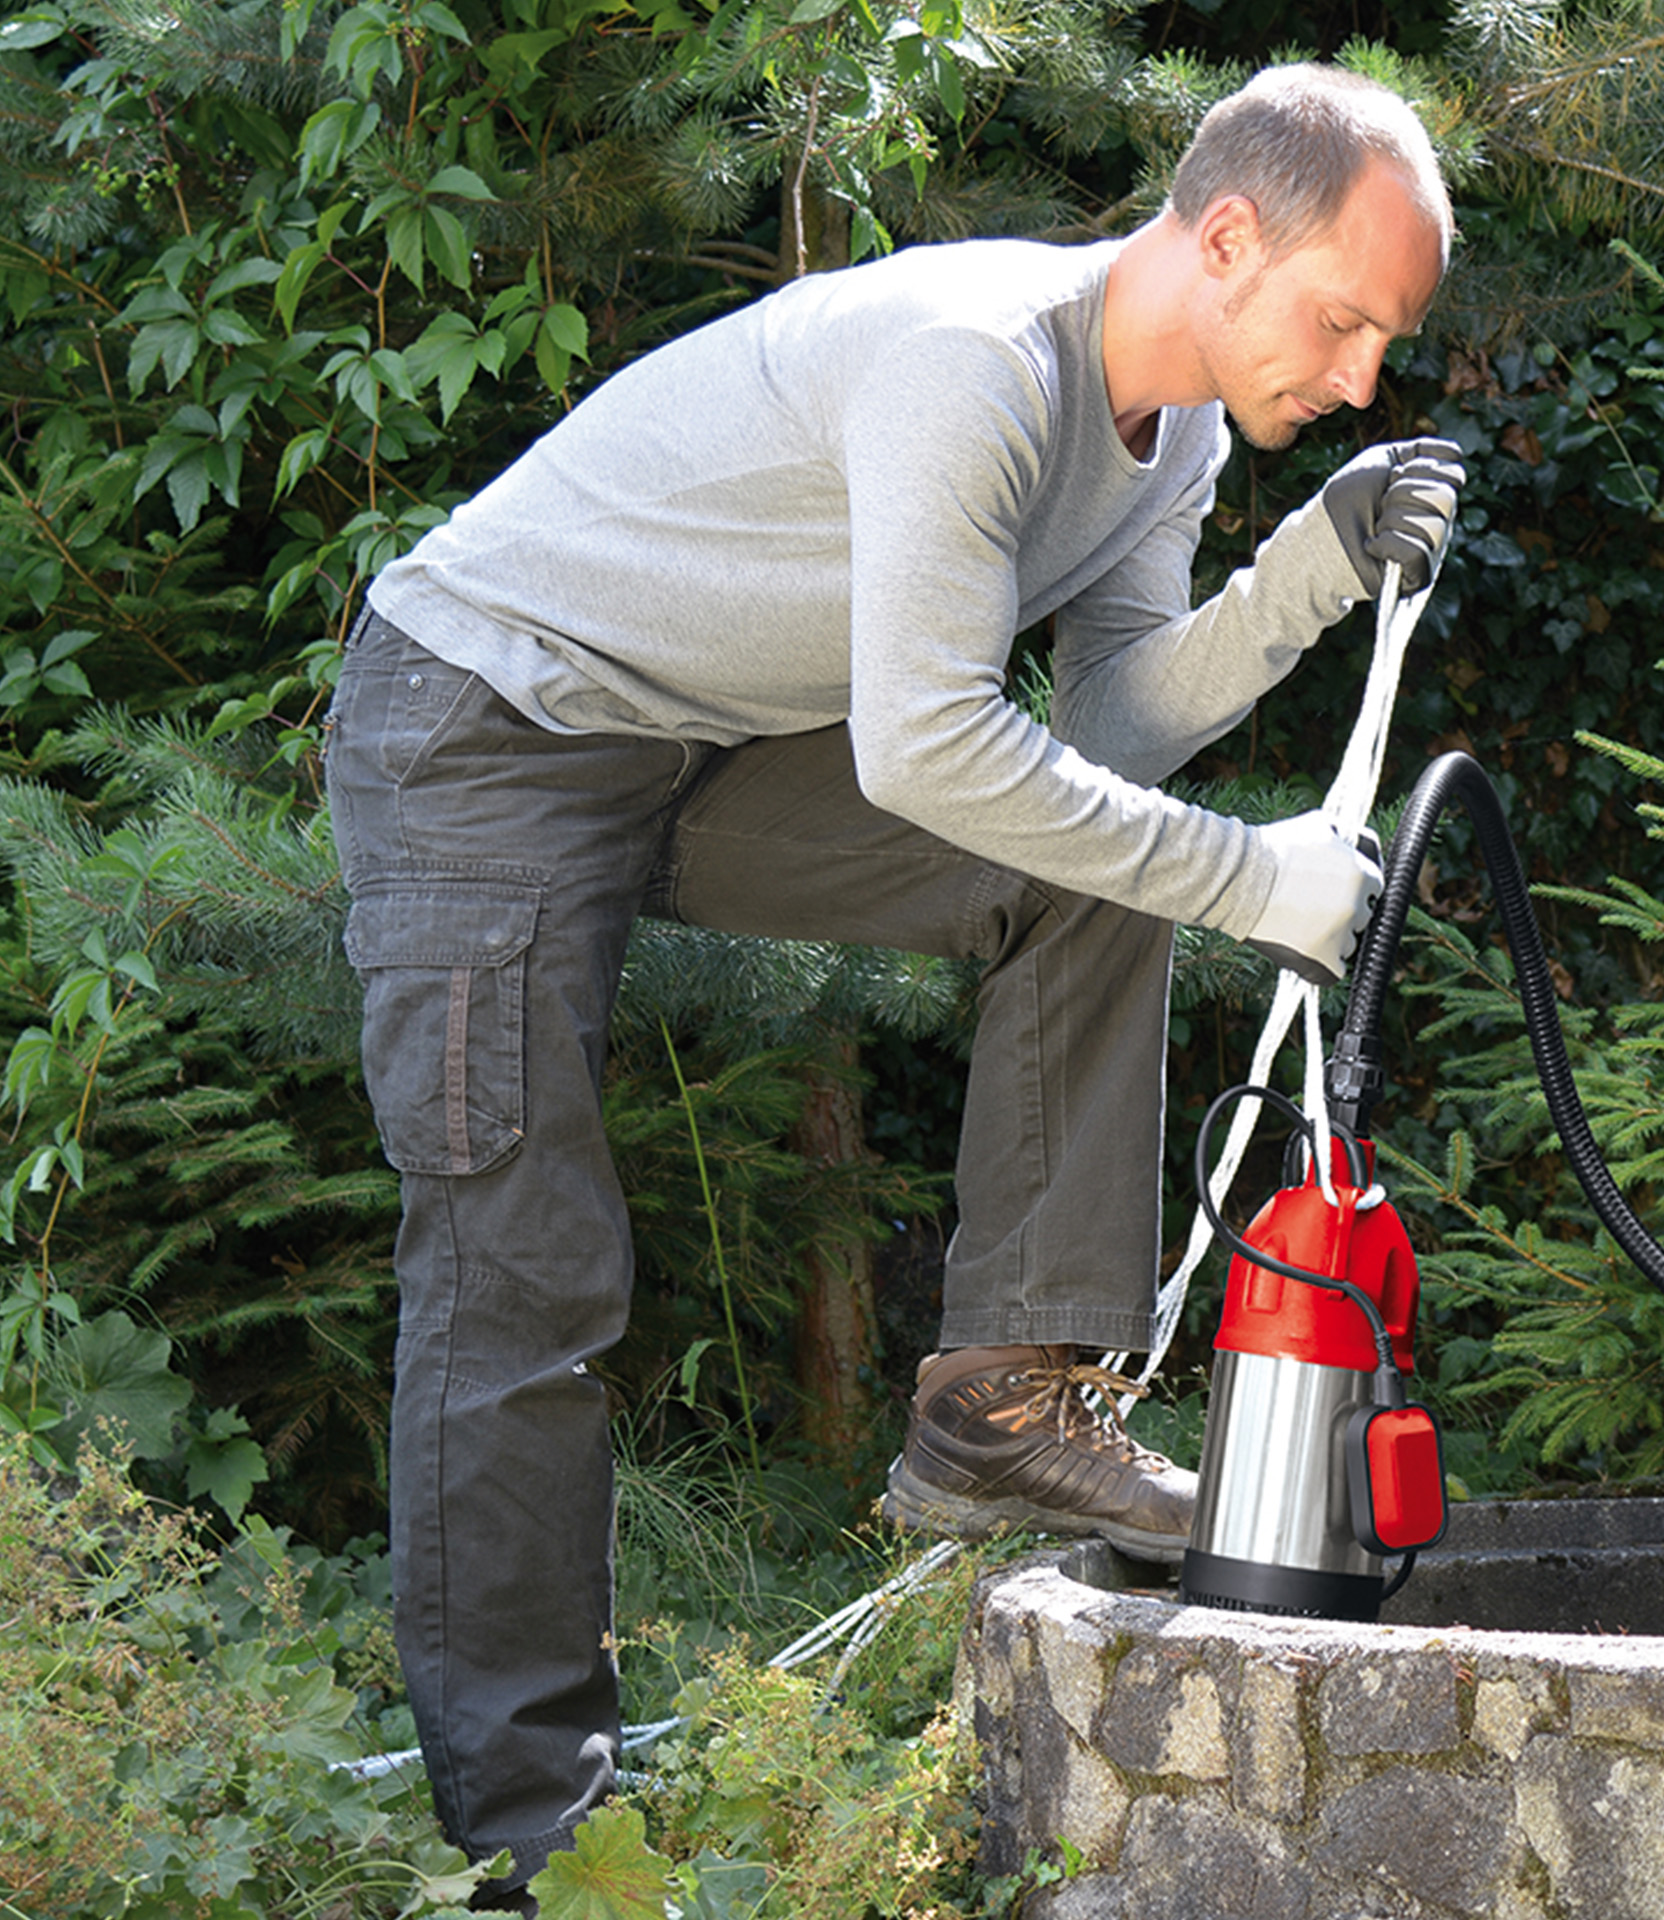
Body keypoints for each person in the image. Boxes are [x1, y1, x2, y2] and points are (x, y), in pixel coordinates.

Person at [324, 60, 1461, 1909]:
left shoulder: (1161, 436)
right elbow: (935, 745)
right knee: (520, 1269)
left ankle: (1001, 1409)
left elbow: (1100, 732)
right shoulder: (978, 361)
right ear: (1230, 237)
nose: (1356, 379)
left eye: (1379, 350)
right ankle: (533, 1840)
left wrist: (1312, 567)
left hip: (707, 742)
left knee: (1081, 869)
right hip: (486, 723)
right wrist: (1262, 881)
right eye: (1343, 324)